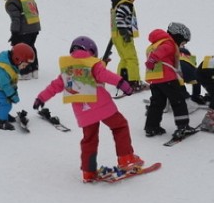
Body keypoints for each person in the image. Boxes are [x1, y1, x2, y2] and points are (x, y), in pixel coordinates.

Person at [33, 36, 143, 183]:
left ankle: (88, 172)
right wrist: (122, 83)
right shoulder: (93, 63)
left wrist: (41, 98)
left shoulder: (68, 68)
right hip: (102, 107)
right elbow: (103, 74)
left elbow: (55, 86)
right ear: (92, 51)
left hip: (83, 112)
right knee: (120, 126)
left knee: (89, 139)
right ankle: (126, 158)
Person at [142, 27, 198, 140]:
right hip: (167, 78)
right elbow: (161, 52)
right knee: (178, 102)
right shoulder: (168, 43)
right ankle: (183, 126)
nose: (182, 46)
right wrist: (153, 59)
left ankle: (151, 126)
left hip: (155, 79)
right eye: (182, 43)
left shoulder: (154, 45)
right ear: (178, 37)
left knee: (157, 103)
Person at [0, 43, 35, 130]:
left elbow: (10, 83)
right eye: (24, 65)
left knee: (6, 102)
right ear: (17, 60)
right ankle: (1, 122)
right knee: (5, 103)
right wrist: (12, 95)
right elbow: (5, 85)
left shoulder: (10, 65)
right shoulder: (3, 69)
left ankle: (4, 115)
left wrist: (13, 93)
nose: (24, 68)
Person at [0, 0, 41, 79]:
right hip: (35, 26)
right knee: (31, 46)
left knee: (21, 49)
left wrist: (14, 33)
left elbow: (16, 19)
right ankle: (34, 69)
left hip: (24, 29)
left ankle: (25, 72)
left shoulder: (11, 2)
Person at [109, 0, 143, 89]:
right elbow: (120, 19)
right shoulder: (126, 5)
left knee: (124, 59)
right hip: (123, 36)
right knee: (132, 59)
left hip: (117, 37)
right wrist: (125, 34)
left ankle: (121, 81)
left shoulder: (119, 4)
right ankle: (133, 82)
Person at [167, 22, 207, 106]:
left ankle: (171, 98)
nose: (183, 46)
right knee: (194, 79)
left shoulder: (167, 46)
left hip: (173, 73)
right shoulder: (178, 49)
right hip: (190, 72)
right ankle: (195, 96)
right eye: (183, 44)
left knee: (174, 81)